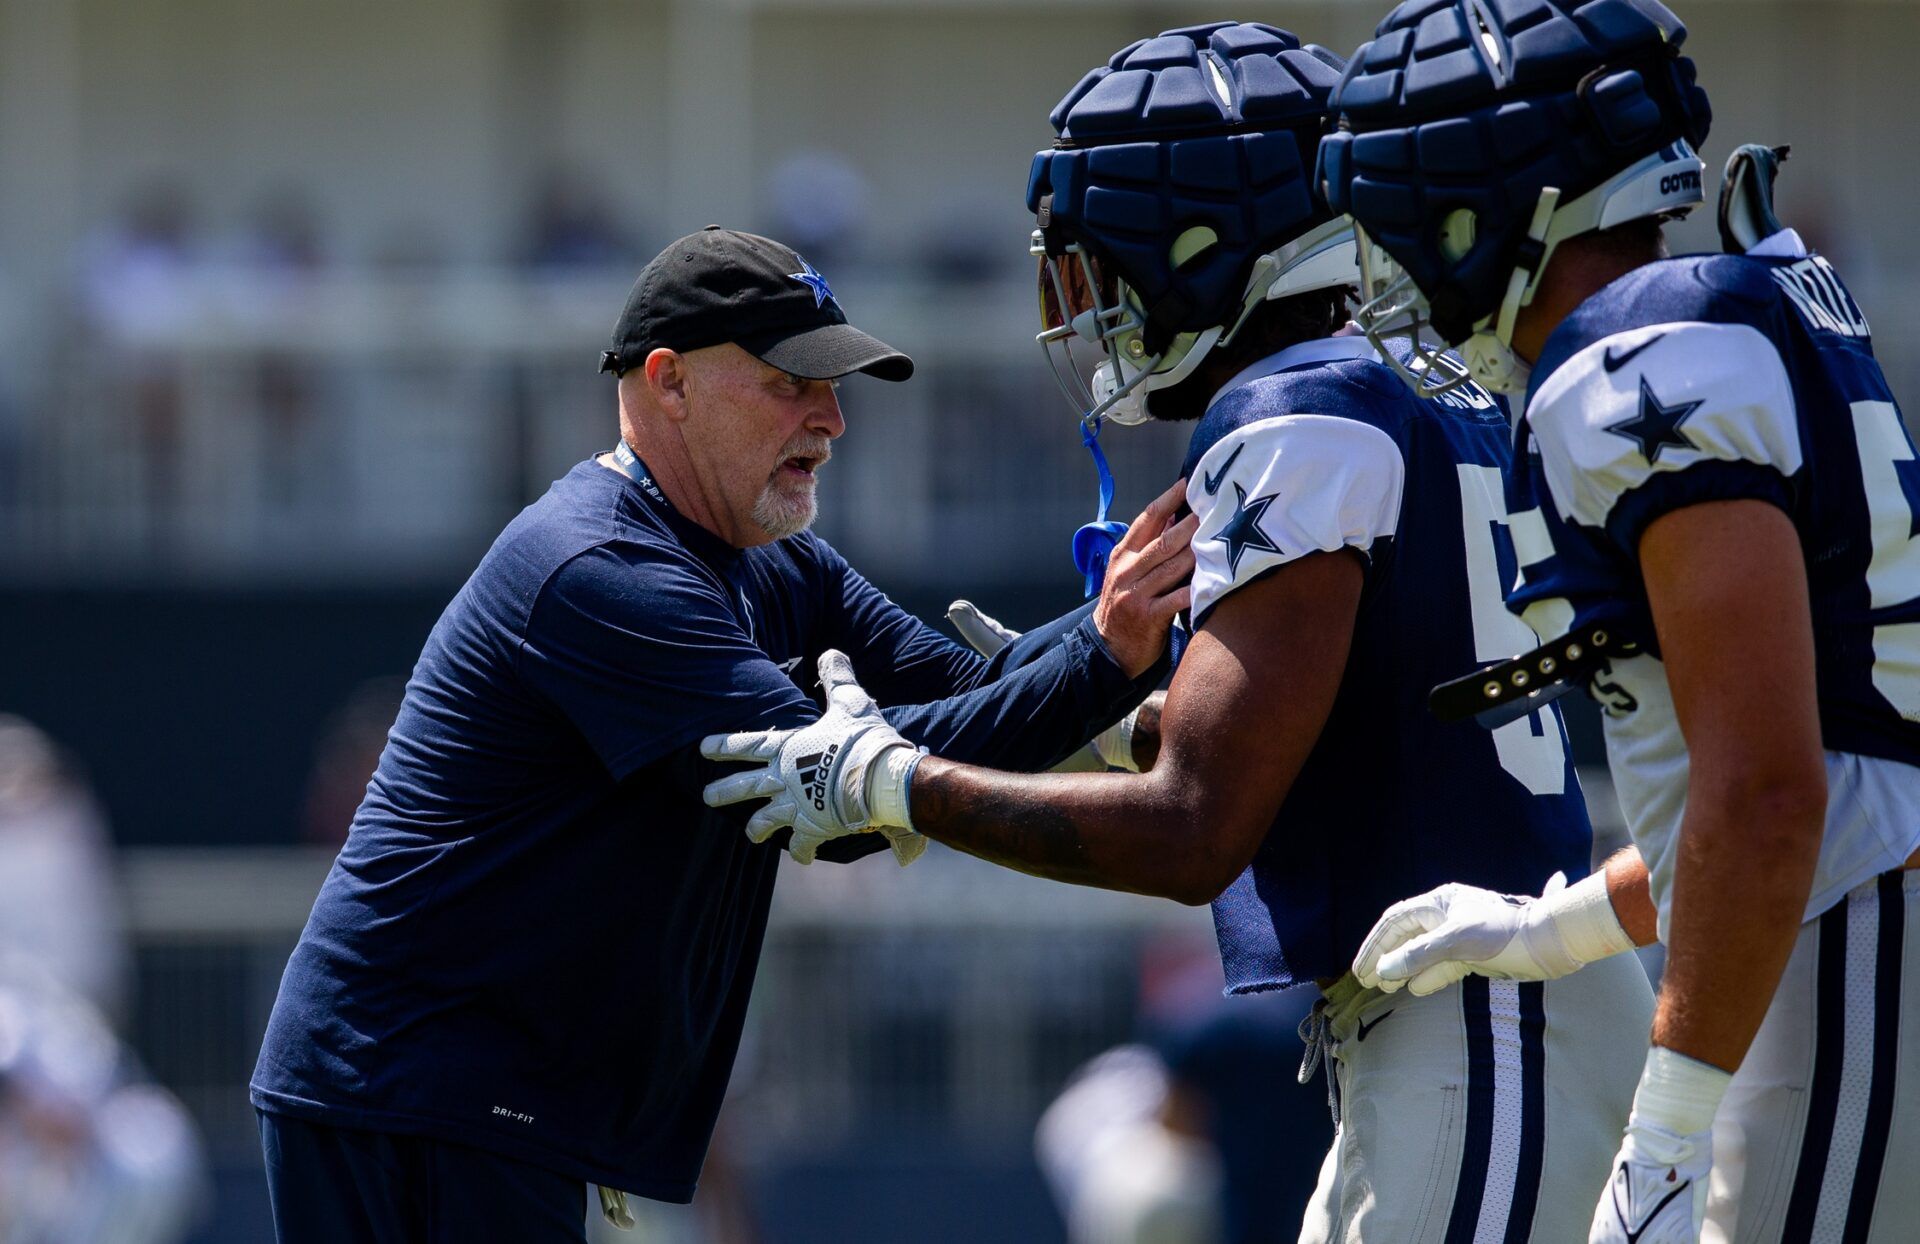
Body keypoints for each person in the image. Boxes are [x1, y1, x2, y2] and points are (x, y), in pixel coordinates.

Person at [702, 24, 1654, 1241]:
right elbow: (1348, 713)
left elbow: (1194, 828)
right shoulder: (1408, 382)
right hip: (1479, 1015)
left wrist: (897, 783)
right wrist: (1111, 719)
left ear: (1200, 239)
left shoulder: (1300, 407)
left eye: (1109, 251)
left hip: (1478, 1023)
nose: (1091, 294)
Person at [249, 226, 1189, 1242]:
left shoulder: (771, 559)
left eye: (836, 387)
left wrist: (1138, 629)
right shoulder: (600, 568)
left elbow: (969, 688)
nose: (831, 420)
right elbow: (846, 793)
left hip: (480, 1099)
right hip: (410, 1090)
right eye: (793, 382)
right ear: (670, 381)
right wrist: (1106, 655)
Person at [1320, 2, 1920, 1238]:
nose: (1389, 268)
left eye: (1402, 217)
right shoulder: (1725, 309)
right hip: (1841, 937)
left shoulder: (1626, 361)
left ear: (1494, 202)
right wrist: (1552, 928)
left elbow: (1775, 797)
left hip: (1850, 958)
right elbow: (1823, 773)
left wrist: (1666, 1129)